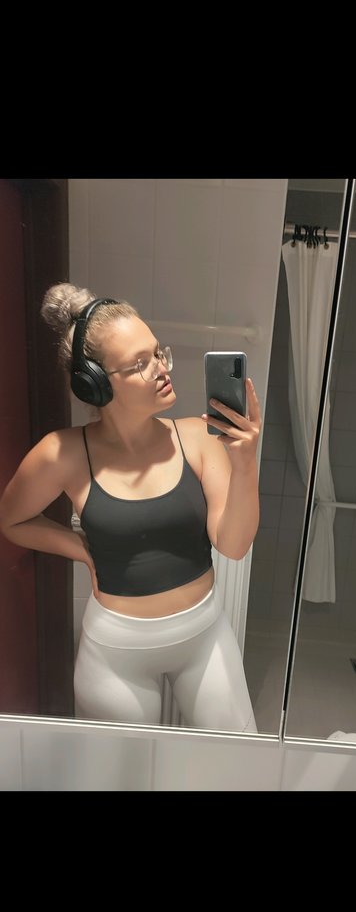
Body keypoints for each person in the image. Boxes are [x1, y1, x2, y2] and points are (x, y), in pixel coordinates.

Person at [0, 284, 261, 733]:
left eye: (158, 353)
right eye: (141, 363)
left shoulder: (197, 439)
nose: (162, 368)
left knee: (237, 758)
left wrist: (245, 464)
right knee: (124, 770)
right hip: (116, 653)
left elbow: (234, 546)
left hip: (204, 636)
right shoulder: (61, 453)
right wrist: (82, 550)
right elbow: (13, 520)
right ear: (96, 384)